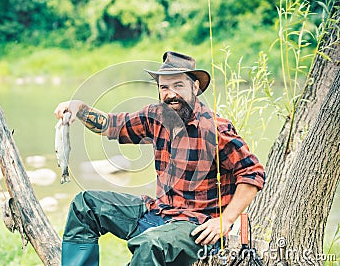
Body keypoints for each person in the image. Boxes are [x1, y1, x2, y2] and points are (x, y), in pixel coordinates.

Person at [54, 51, 265, 266]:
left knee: (150, 245)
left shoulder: (215, 128)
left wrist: (225, 220)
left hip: (197, 226)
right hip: (158, 212)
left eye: (178, 85)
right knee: (85, 206)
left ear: (195, 88)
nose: (170, 94)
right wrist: (78, 108)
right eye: (164, 87)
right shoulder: (155, 117)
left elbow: (252, 172)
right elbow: (112, 125)